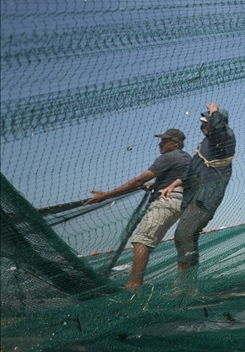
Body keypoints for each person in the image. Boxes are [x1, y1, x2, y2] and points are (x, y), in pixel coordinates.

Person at [84, 128, 191, 288]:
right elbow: (180, 178)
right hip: (179, 202)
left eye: (164, 140)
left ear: (175, 143)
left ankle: (134, 285)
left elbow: (139, 180)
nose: (160, 143)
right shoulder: (186, 158)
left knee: (140, 241)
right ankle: (180, 286)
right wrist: (156, 186)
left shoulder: (168, 156)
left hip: (166, 202)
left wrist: (106, 195)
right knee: (146, 242)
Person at [160, 102, 236, 292]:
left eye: (207, 122)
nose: (204, 125)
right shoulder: (205, 144)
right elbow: (191, 172)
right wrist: (173, 184)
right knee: (189, 238)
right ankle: (190, 286)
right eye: (202, 122)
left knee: (183, 234)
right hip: (193, 196)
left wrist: (214, 112)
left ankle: (182, 285)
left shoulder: (224, 140)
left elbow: (219, 129)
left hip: (206, 197)